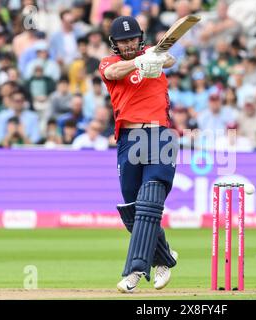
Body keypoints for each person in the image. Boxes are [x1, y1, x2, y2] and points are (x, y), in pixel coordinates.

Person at [98, 16, 178, 293]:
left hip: (160, 136)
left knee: (150, 201)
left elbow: (170, 60)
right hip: (129, 139)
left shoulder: (152, 55)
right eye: (123, 41)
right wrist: (139, 63)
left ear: (140, 37)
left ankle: (135, 270)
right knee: (134, 209)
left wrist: (155, 59)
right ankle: (165, 259)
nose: (129, 44)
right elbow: (113, 73)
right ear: (115, 44)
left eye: (133, 39)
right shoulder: (109, 63)